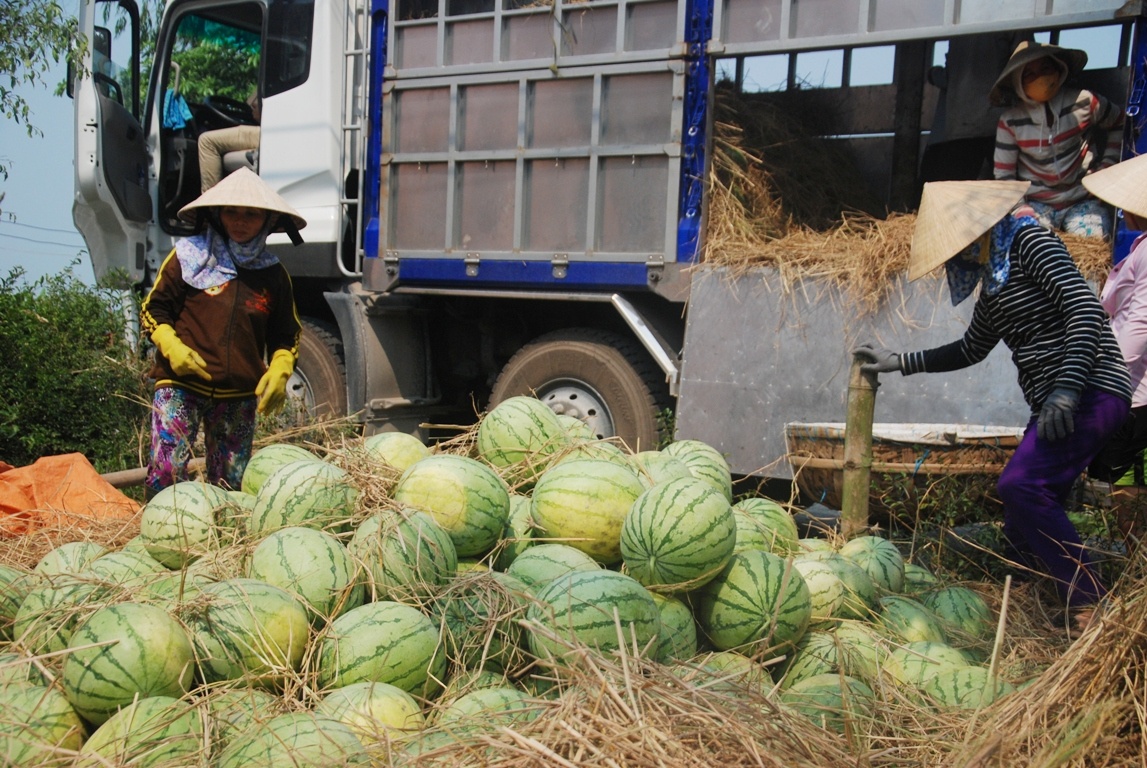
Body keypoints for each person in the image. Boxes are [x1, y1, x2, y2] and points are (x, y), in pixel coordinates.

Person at [855, 179, 1131, 637]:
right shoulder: (996, 280)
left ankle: (1092, 602)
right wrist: (900, 362)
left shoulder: (1030, 242)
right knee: (1021, 528)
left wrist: (1066, 387)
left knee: (1021, 486)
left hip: (1089, 389)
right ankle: (1037, 617)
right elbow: (971, 348)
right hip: (1054, 401)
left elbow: (1084, 309)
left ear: (978, 230)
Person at [140, 167, 305, 498]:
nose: (240, 221)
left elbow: (286, 334)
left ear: (268, 221)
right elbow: (153, 309)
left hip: (237, 397)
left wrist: (281, 365)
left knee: (232, 486)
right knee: (166, 475)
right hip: (179, 387)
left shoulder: (273, 275)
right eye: (231, 211)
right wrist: (172, 347)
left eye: (251, 214)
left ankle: (221, 546)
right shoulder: (188, 257)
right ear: (217, 214)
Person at [1080, 153, 1147, 546]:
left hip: (1136, 396)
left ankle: (1137, 582)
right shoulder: (1139, 248)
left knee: (1130, 497)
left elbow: (1139, 327)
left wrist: (1105, 378)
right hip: (1131, 391)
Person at [990, 41, 1123, 238]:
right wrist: (1021, 208)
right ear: (1018, 83)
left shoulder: (1085, 101)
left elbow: (1120, 123)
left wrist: (1106, 167)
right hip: (1037, 204)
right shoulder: (1010, 122)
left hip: (1082, 200)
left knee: (1094, 236)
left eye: (1046, 68)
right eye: (1030, 74)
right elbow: (1004, 176)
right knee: (1030, 241)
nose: (1040, 78)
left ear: (1059, 70)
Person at [197, 91, 261, 193]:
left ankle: (211, 202)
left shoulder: (277, 83)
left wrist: (259, 107)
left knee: (207, 141)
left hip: (268, 133)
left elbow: (252, 104)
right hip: (267, 131)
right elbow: (250, 105)